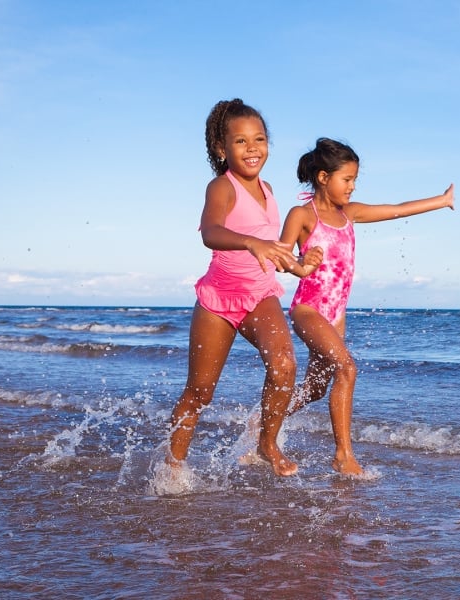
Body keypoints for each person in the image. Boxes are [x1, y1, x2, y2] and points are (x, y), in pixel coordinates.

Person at [280, 137, 454, 476]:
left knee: (315, 390)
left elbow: (396, 208)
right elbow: (280, 256)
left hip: (336, 316)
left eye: (355, 180)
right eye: (347, 179)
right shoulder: (302, 215)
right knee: (348, 369)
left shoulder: (351, 214)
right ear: (323, 177)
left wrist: (441, 200)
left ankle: (264, 421)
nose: (352, 186)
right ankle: (343, 456)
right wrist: (301, 260)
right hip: (308, 309)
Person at [167, 99, 322, 478]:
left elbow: (273, 248)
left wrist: (300, 267)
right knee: (200, 392)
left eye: (260, 139)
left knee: (284, 365)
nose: (252, 148)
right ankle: (173, 467)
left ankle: (266, 444)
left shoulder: (269, 189)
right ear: (222, 149)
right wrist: (250, 243)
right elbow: (211, 232)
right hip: (218, 299)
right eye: (241, 141)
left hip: (259, 295)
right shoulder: (222, 186)